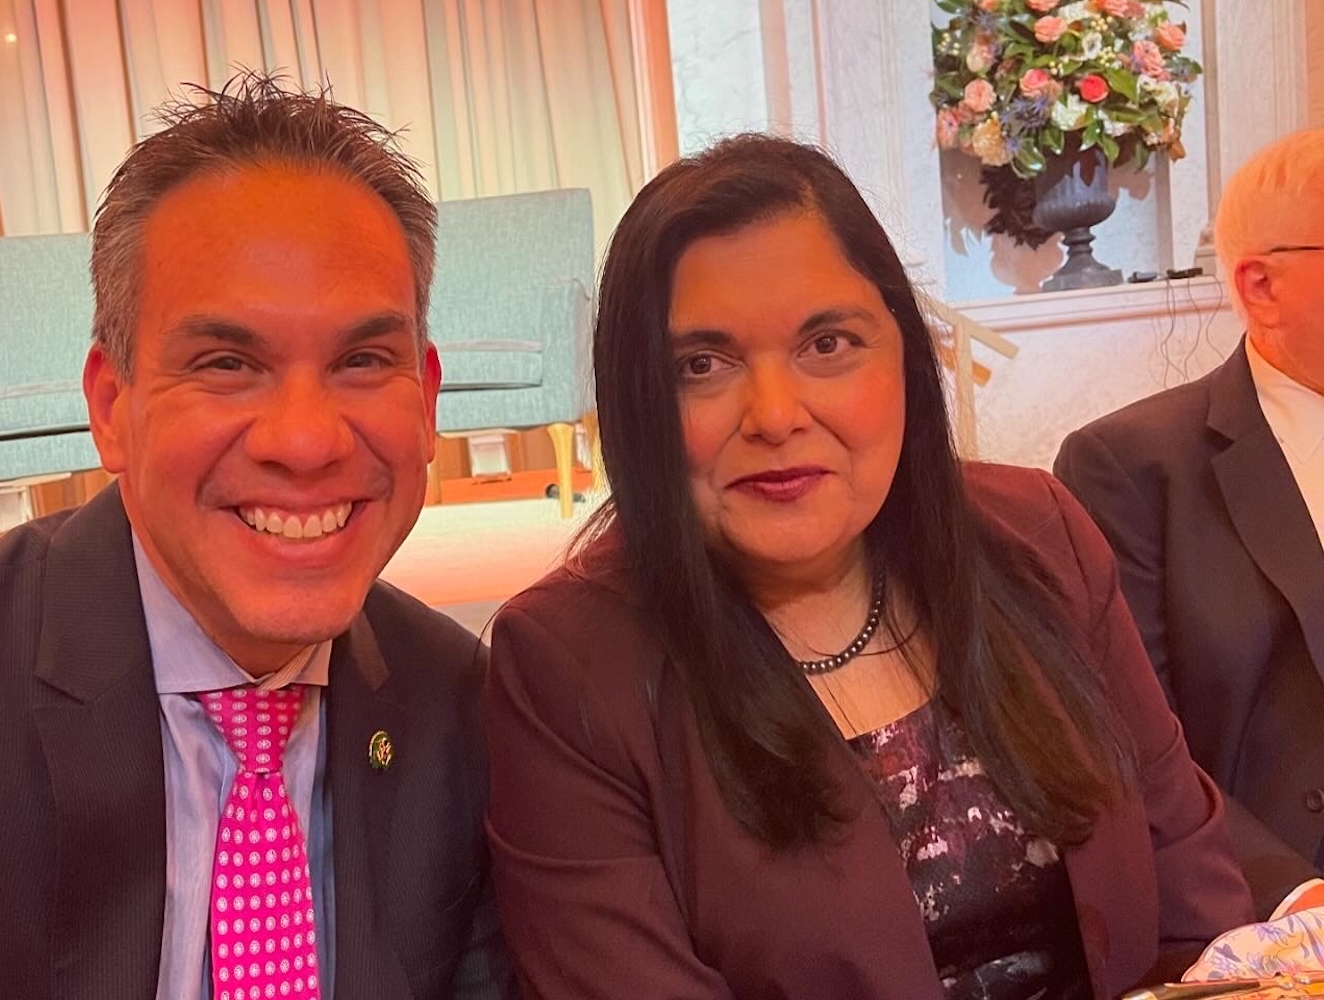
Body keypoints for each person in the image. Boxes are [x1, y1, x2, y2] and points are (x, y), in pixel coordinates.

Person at [484, 134, 1252, 1000]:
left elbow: (1190, 882)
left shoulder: (1039, 534)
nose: (775, 415)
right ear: (637, 402)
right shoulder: (565, 664)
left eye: (828, 344)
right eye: (702, 365)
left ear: (903, 358)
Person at [0, 73, 513, 1000]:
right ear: (112, 407)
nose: (306, 441)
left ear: (428, 401)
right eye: (228, 364)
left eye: (362, 360)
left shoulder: (456, 701)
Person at [1055, 128, 1324, 877]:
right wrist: (1295, 905)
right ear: (1260, 288)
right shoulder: (1130, 468)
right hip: (1276, 898)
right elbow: (1130, 747)